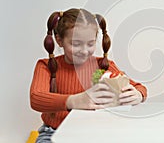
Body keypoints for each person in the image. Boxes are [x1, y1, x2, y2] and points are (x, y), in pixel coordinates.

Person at [30, 8, 147, 142]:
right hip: (54, 132)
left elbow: (139, 87)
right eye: (76, 44)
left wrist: (138, 95)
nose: (84, 51)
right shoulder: (47, 66)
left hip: (93, 133)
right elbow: (36, 98)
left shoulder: (102, 65)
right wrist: (74, 101)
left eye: (90, 44)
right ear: (59, 41)